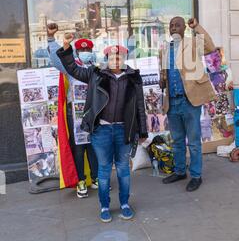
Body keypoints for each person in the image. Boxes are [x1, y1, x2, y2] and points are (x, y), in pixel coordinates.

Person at [56, 36, 148, 223]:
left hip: (124, 131)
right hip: (102, 131)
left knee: (123, 169)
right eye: (113, 56)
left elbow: (140, 105)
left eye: (120, 56)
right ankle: (104, 206)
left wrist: (143, 132)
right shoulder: (95, 73)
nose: (116, 60)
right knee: (104, 170)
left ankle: (124, 204)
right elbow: (73, 69)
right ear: (107, 58)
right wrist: (66, 48)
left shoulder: (133, 78)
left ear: (125, 58)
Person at [159, 17, 216, 192]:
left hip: (190, 100)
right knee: (177, 141)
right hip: (172, 101)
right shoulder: (164, 50)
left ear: (184, 28)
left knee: (193, 142)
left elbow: (210, 47)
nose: (174, 28)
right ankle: (179, 171)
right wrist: (163, 80)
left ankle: (196, 176)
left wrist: (196, 27)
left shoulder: (191, 43)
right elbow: (164, 73)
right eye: (171, 26)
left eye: (177, 25)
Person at [47, 23, 98, 199]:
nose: (85, 52)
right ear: (76, 51)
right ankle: (81, 181)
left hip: (93, 111)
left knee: (94, 145)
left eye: (88, 49)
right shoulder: (71, 67)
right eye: (82, 50)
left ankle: (96, 176)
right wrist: (51, 39)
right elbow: (56, 59)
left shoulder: (96, 67)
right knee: (78, 147)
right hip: (74, 113)